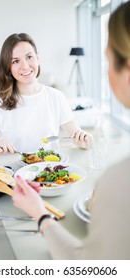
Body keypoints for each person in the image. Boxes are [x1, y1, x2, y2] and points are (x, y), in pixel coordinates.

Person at [12, 2, 130, 259]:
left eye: (107, 60)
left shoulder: (118, 182)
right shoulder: (2, 104)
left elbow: (88, 266)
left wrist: (40, 214)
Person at [0, 33, 92, 160]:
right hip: (14, 175)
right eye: (15, 61)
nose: (25, 66)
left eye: (29, 57)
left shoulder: (56, 97)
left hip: (50, 172)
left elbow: (80, 139)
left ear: (38, 58)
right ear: (8, 68)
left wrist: (85, 140)